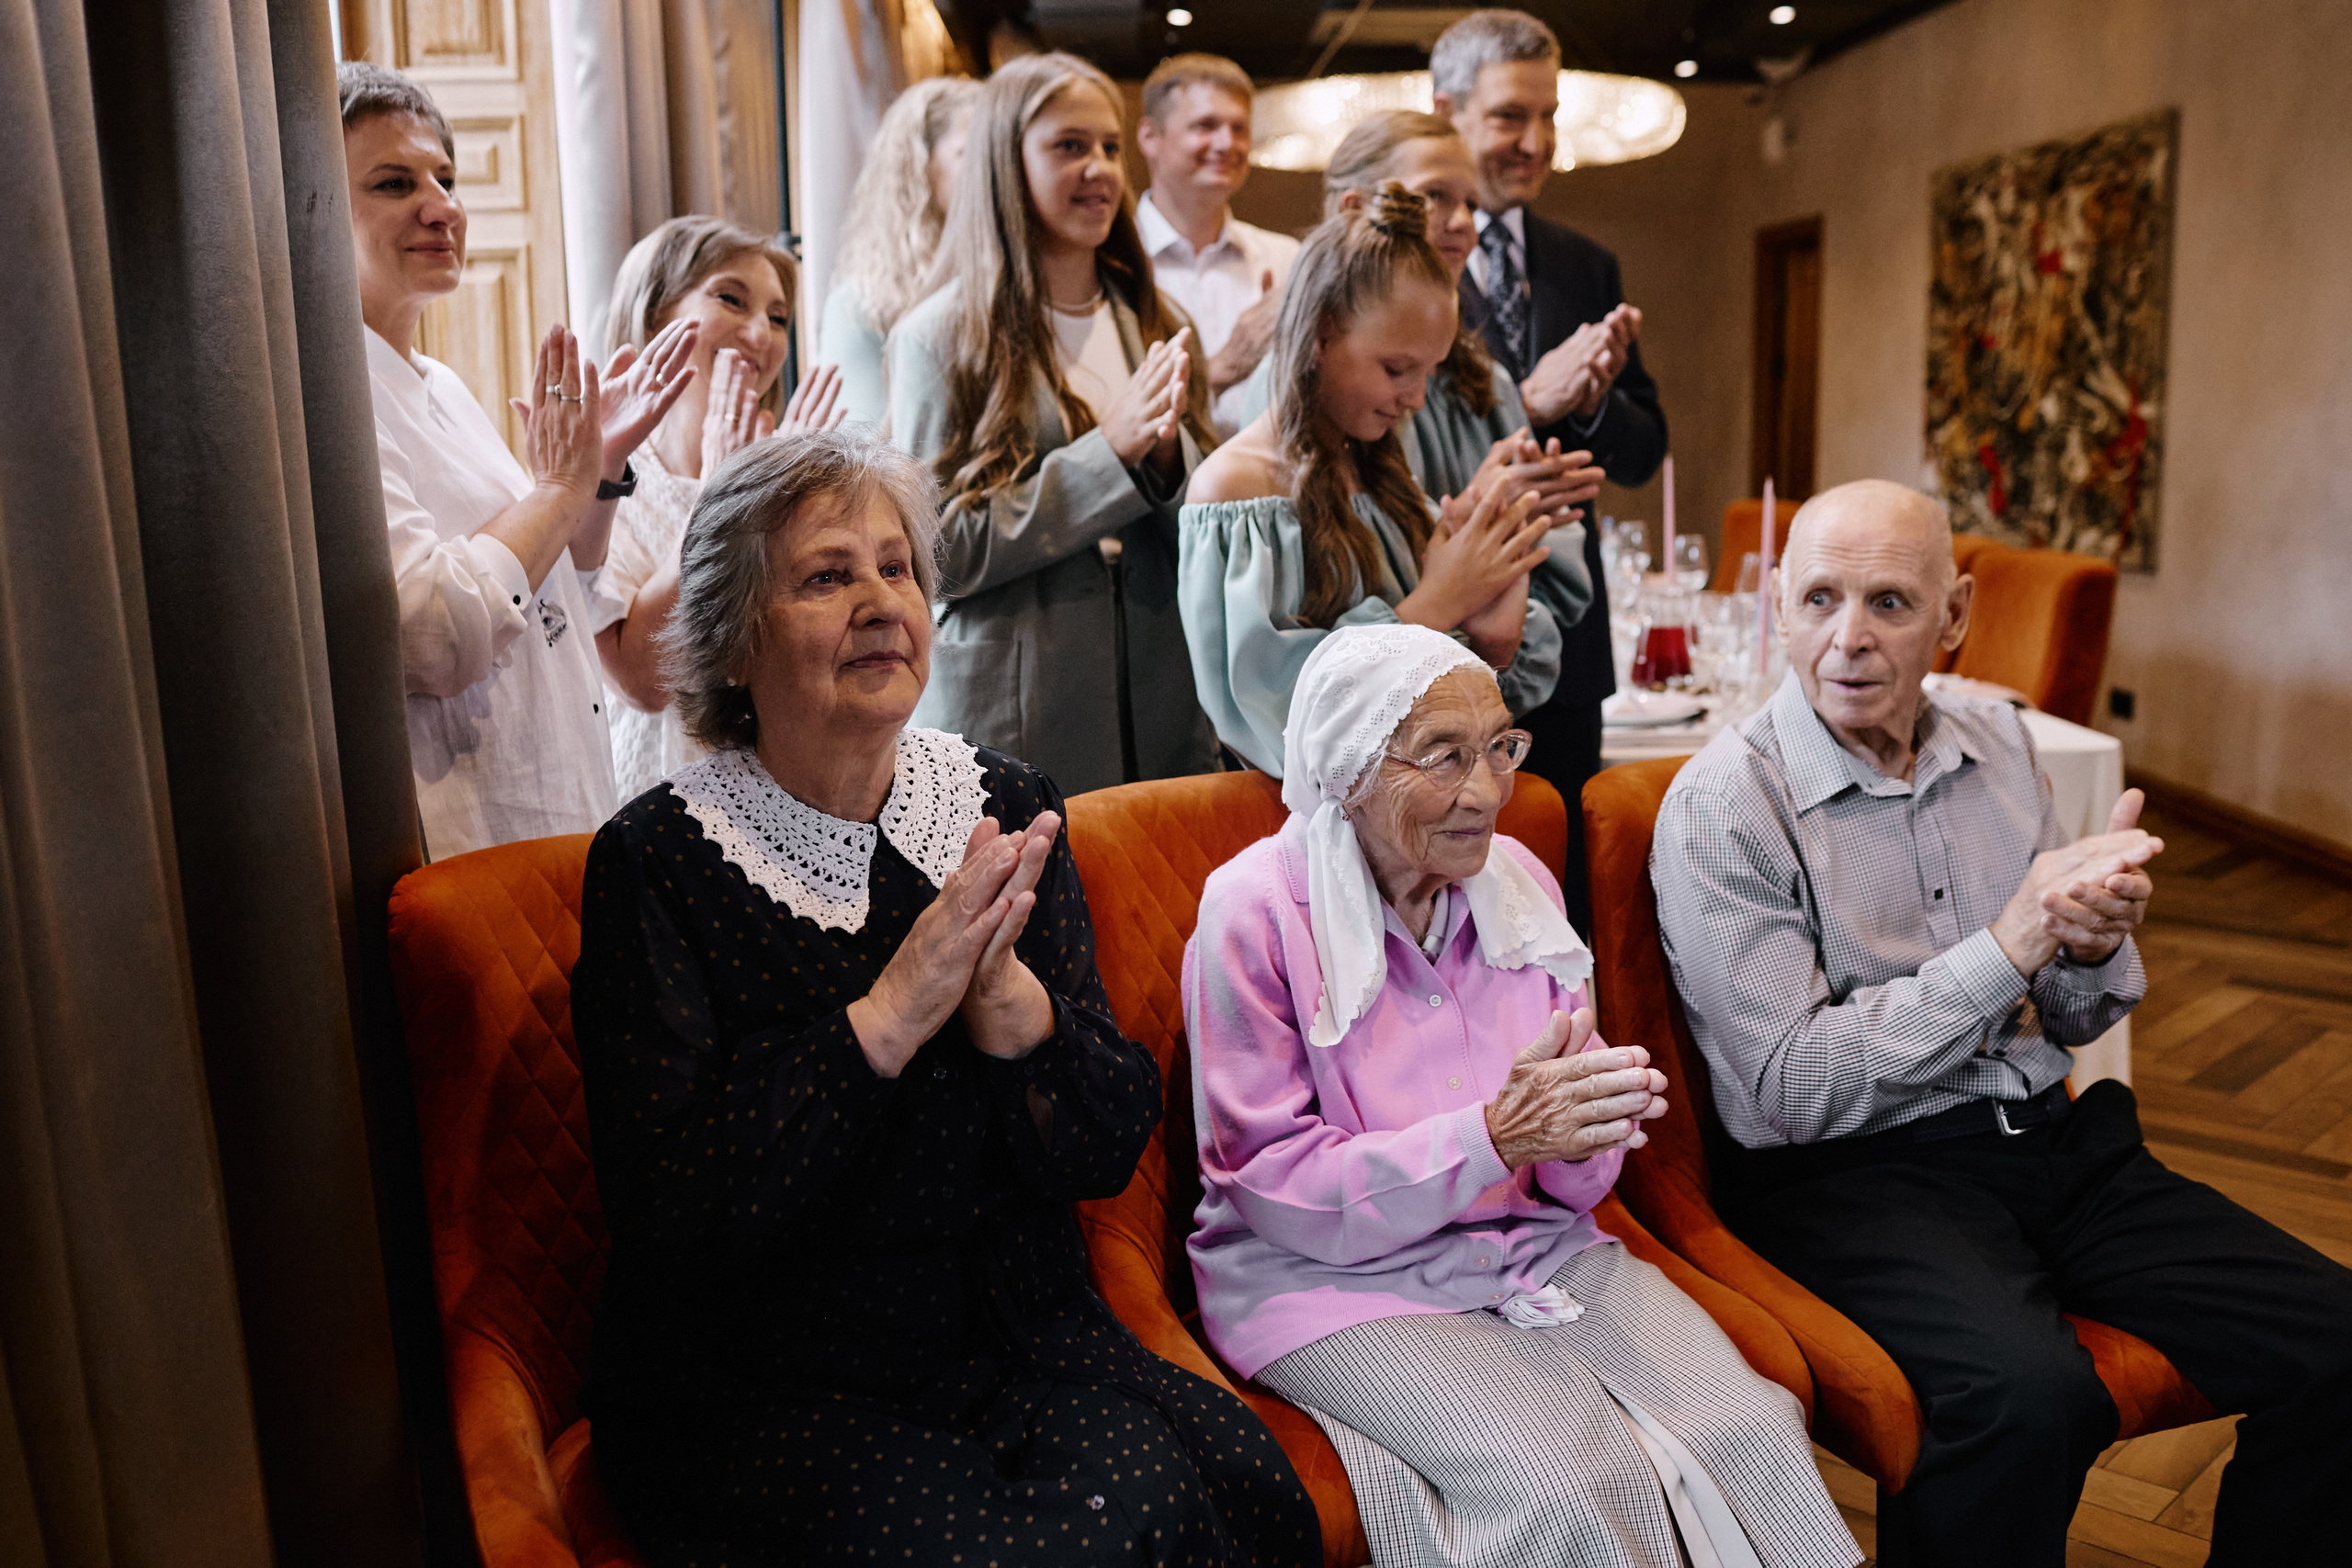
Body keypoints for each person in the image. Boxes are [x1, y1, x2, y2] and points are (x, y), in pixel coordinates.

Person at [572, 427, 1320, 1567]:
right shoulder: (662, 859)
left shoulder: (1004, 804)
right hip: (774, 1378)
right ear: (728, 645)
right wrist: (886, 1016)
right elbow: (676, 1212)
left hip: (1019, 1333)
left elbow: (1105, 1143)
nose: (880, 602)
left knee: (1241, 1488)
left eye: (897, 569)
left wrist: (1014, 1008)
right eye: (827, 577)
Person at [1652, 480, 2352, 1567]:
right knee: (2023, 1400)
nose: (1848, 638)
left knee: (2337, 1339)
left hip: (2044, 1139)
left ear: (1955, 614)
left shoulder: (1998, 747)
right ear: (1777, 609)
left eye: (1889, 602)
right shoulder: (1723, 804)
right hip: (1845, 1174)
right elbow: (1786, 1091)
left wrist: (2085, 939)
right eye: (1819, 598)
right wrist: (2011, 946)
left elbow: (2070, 1018)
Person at [1185, 623, 1860, 1568]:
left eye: (1500, 747)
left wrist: (1584, 1136)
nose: (1488, 792)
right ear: (1347, 766)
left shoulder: (1519, 888)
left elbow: (1565, 1183)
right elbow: (1267, 1180)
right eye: (1445, 757)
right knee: (1567, 1484)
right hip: (1329, 1283)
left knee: (1750, 1423)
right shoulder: (1254, 911)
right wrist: (1494, 1138)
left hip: (1527, 1248)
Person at [340, 62, 693, 857]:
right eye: (394, 183)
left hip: (560, 805)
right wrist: (561, 487)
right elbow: (426, 631)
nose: (442, 207)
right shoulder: (331, 393)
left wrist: (593, 479)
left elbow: (561, 581)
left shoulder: (444, 386)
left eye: (447, 178)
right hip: (469, 832)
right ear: (315, 208)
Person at [888, 51, 1217, 795]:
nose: (1100, 168)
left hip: (1165, 705)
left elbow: (1207, 529)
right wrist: (1113, 456)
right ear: (1007, 161)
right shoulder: (939, 338)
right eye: (1070, 146)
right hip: (1018, 715)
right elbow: (936, 552)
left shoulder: (1161, 321)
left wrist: (1166, 463)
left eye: (1109, 147)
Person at [1179, 187, 1565, 775]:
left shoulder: (1382, 473)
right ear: (1321, 334)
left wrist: (1492, 637)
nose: (1414, 399)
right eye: (1396, 369)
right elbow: (1280, 716)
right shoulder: (1235, 488)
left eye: (1428, 374)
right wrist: (1438, 603)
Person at [1433, 8, 1669, 931]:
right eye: (1507, 118)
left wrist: (1593, 401)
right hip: (1451, 626)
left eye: (1548, 116)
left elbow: (1645, 449)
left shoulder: (1585, 263)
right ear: (1446, 108)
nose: (1534, 142)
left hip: (1569, 641)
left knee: (1559, 892)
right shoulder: (1402, 256)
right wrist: (1529, 395)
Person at [592, 216, 845, 801]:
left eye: (778, 318)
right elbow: (643, 681)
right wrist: (720, 503)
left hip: (782, 791)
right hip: (654, 797)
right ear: (657, 313)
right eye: (732, 299)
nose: (760, 334)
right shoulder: (607, 472)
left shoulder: (782, 465)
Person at [1133, 53, 1299, 438]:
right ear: (1149, 137)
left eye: (1239, 129)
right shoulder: (1110, 263)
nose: (1228, 143)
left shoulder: (1286, 258)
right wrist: (1222, 367)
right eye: (1206, 126)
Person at [819, 77, 979, 429]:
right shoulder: (861, 305)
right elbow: (859, 451)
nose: (990, 173)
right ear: (921, 168)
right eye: (972, 155)